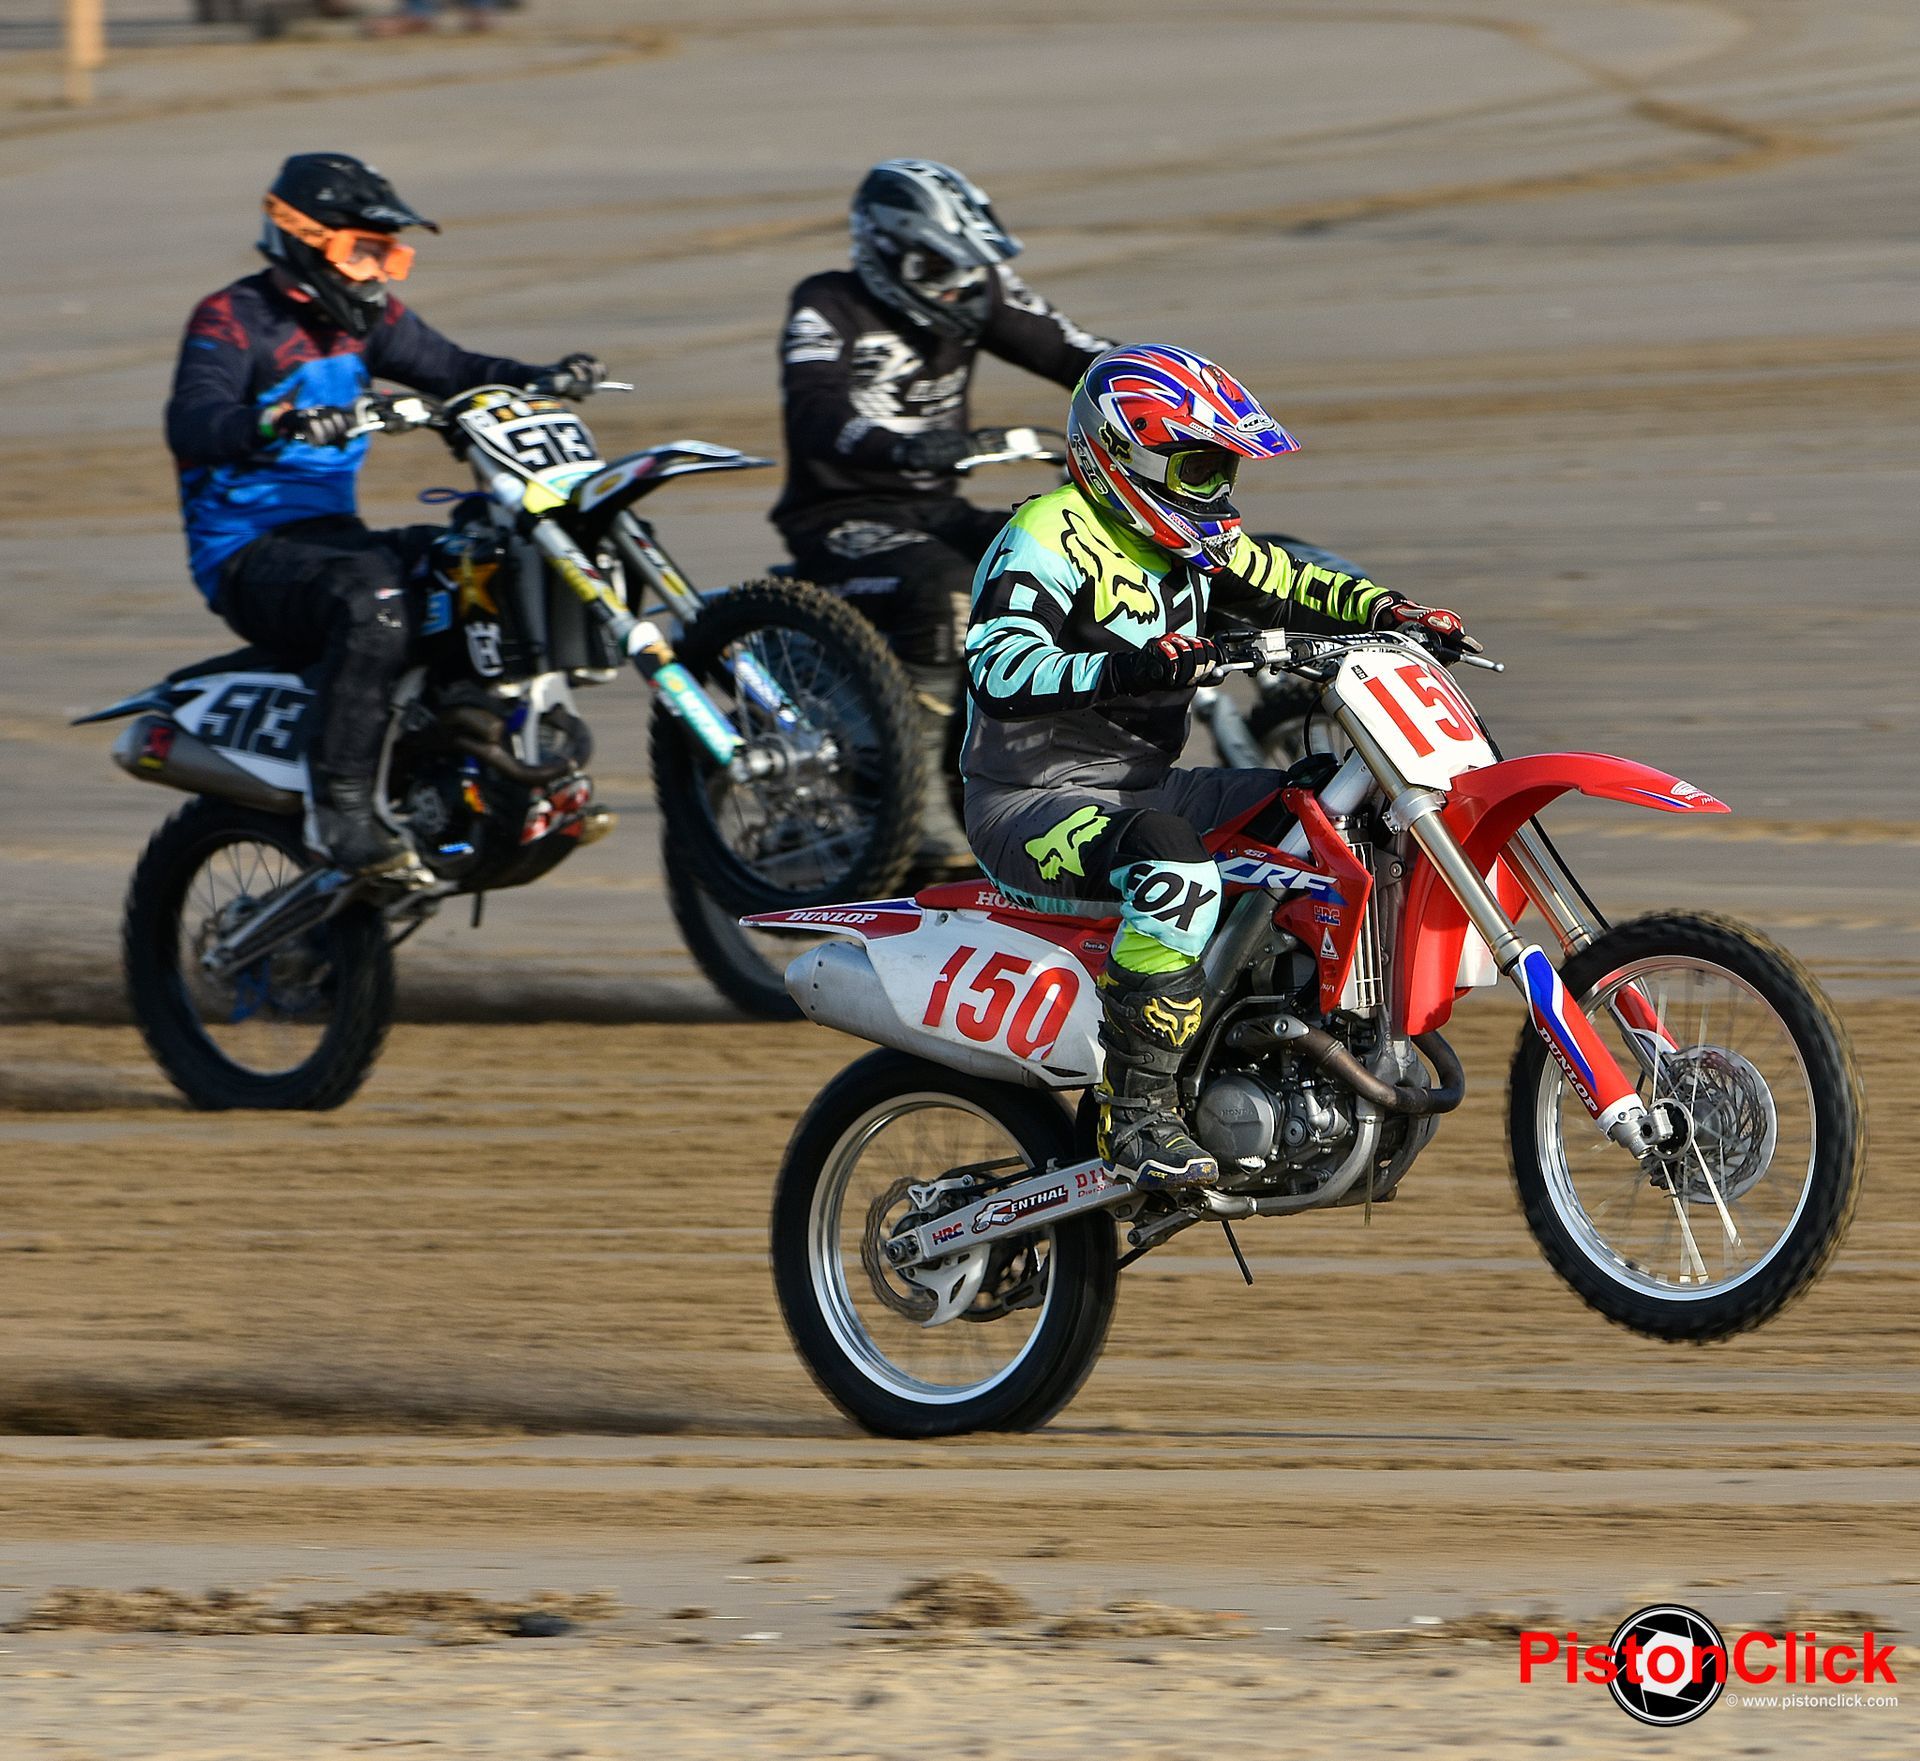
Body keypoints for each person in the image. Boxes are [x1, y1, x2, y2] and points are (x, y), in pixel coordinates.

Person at [962, 344, 1472, 1187]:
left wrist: (1395, 611)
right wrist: (1128, 664)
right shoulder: (1047, 534)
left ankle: (1279, 1041)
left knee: (1323, 808)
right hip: (1029, 804)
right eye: (1199, 466)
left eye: (1223, 468)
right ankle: (1135, 1114)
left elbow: (1290, 578)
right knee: (1172, 860)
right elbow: (998, 663)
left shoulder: (1195, 543)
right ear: (1127, 453)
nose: (1217, 490)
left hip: (1143, 786)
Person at [166, 152, 605, 873]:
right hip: (247, 554)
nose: (375, 271)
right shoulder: (232, 319)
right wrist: (277, 422)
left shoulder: (371, 320)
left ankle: (468, 770)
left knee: (475, 567)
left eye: (386, 254)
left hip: (335, 540)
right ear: (301, 241)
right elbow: (194, 420)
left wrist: (542, 378)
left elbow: (456, 369)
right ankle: (338, 807)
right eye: (359, 251)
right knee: (376, 602)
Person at [772, 158, 1112, 868]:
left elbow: (1072, 350)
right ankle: (909, 793)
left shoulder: (975, 286)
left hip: (938, 505)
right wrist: (914, 447)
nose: (958, 284)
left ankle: (1051, 768)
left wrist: (1157, 381)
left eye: (966, 266)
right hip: (838, 519)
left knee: (1073, 556)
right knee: (947, 588)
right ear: (886, 250)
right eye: (937, 265)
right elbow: (815, 415)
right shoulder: (826, 303)